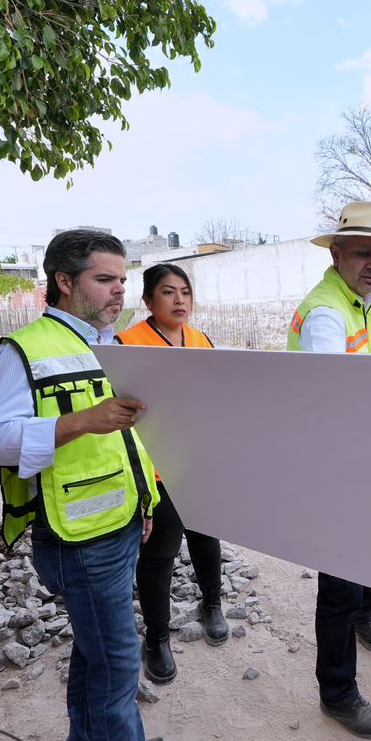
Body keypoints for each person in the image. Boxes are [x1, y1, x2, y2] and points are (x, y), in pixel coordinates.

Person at [0, 229, 196, 741]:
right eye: (107, 279)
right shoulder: (24, 350)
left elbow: (129, 439)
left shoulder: (109, 345)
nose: (120, 290)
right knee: (117, 671)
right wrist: (80, 422)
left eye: (123, 280)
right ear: (64, 281)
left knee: (96, 654)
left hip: (121, 522)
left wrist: (146, 504)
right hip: (76, 538)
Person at [286, 201, 371, 739]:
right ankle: (337, 692)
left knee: (363, 563)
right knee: (338, 580)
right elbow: (330, 404)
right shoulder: (326, 314)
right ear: (336, 253)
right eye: (363, 252)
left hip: (356, 458)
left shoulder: (359, 303)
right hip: (332, 468)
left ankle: (363, 615)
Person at [116, 263, 229, 685]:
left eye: (185, 292)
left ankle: (211, 604)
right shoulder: (128, 343)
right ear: (148, 300)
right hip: (155, 467)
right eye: (168, 292)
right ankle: (157, 639)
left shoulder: (201, 340)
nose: (180, 300)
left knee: (205, 536)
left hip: (198, 461)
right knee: (160, 553)